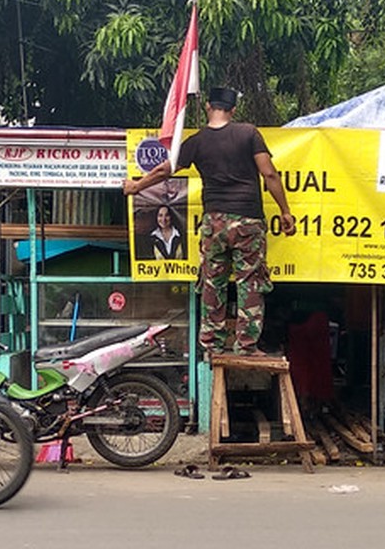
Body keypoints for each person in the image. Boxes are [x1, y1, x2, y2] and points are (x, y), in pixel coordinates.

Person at [124, 86, 296, 354]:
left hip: (213, 222)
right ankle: (246, 345)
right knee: (249, 281)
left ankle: (211, 344)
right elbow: (270, 174)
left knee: (212, 281)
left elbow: (165, 170)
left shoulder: (198, 141)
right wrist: (285, 211)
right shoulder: (249, 133)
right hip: (248, 221)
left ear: (208, 106)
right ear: (233, 109)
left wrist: (137, 186)